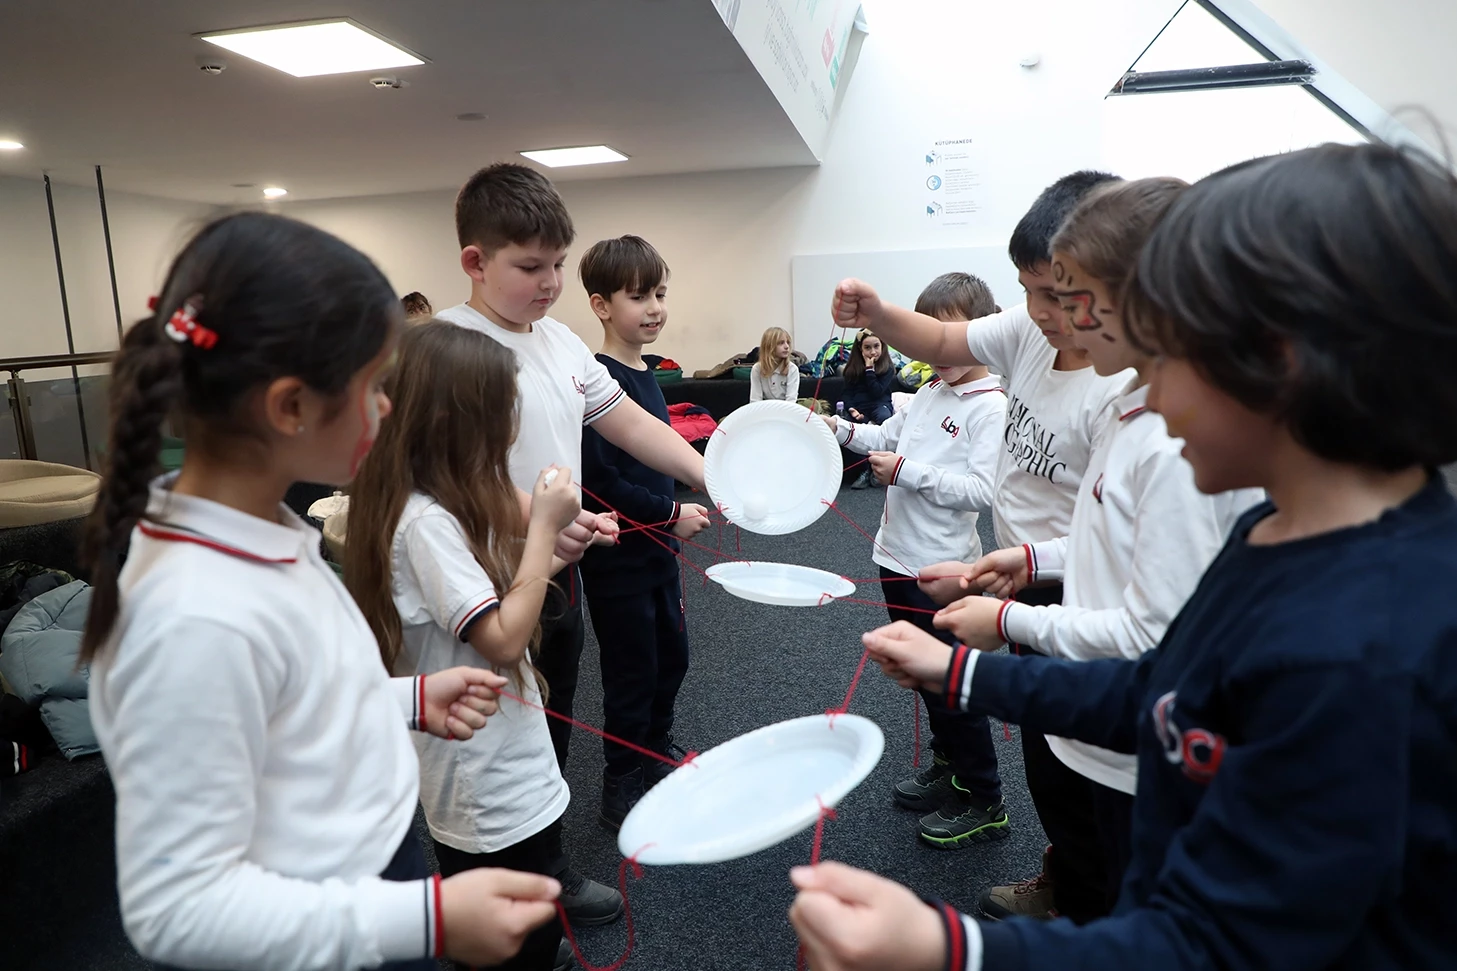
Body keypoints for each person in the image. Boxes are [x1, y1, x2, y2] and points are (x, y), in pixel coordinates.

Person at [792, 141, 1457, 971]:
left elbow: (1214, 946)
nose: (1141, 398)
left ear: (1280, 364)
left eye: (1167, 354)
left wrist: (949, 948)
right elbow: (1165, 688)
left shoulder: (1364, 655)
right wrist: (962, 671)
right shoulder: (1276, 534)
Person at [83, 212, 561, 971]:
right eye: (374, 385)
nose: (386, 408)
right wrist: (426, 916)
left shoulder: (258, 530)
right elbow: (177, 909)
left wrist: (404, 699)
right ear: (290, 406)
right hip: (324, 927)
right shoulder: (196, 615)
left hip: (365, 877)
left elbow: (284, 699)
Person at [935, 178, 1262, 910]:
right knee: (1093, 861)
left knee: (1134, 900)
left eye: (1076, 296)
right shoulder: (1126, 400)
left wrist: (1002, 628)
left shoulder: (1171, 438)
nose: (1059, 318)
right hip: (1110, 722)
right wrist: (1031, 559)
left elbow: (1154, 633)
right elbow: (1113, 530)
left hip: (1139, 748)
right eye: (1053, 295)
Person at [835, 173, 1131, 918]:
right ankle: (1070, 878)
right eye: (1031, 288)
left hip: (1080, 589)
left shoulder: (1124, 391)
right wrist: (873, 309)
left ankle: (1094, 902)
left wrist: (1016, 591)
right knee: (1049, 753)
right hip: (1023, 573)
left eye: (1059, 294)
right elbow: (936, 337)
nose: (1041, 311)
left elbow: (1119, 556)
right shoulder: (1034, 334)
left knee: (1094, 760)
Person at [347, 321, 625, 971]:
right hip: (481, 774)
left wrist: (552, 555)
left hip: (501, 754)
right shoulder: (423, 522)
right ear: (455, 420)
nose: (510, 429)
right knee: (504, 924)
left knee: (524, 912)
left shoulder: (433, 504)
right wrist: (542, 534)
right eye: (503, 413)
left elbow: (489, 607)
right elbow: (501, 638)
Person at [432, 163, 705, 780]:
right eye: (531, 267)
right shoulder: (448, 347)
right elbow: (443, 480)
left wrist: (711, 474)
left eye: (558, 264)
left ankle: (549, 863)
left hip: (558, 566)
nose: (551, 283)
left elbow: (630, 424)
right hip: (479, 574)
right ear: (475, 263)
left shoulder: (560, 342)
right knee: (489, 723)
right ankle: (503, 866)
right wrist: (540, 518)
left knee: (551, 706)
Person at [825, 271, 1009, 849]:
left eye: (950, 335)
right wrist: (832, 427)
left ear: (979, 333)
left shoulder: (990, 406)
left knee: (952, 683)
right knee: (927, 680)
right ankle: (950, 768)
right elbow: (883, 435)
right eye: (929, 336)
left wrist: (908, 473)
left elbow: (984, 490)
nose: (939, 350)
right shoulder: (930, 391)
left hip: (944, 572)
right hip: (896, 559)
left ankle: (985, 798)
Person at [575, 236, 711, 827]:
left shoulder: (648, 373)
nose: (654, 307)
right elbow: (597, 484)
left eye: (660, 293)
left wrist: (680, 502)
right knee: (631, 669)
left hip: (658, 553)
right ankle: (620, 777)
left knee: (671, 658)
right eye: (638, 297)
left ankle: (654, 752)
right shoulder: (594, 380)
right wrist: (669, 515)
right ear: (601, 305)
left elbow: (658, 460)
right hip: (617, 557)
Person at [840, 329, 896, 425]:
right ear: (860, 348)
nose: (873, 352)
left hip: (879, 405)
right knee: (844, 422)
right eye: (867, 348)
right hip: (859, 406)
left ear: (882, 346)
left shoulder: (888, 368)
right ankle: (865, 421)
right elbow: (847, 393)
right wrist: (851, 408)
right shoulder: (853, 369)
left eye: (876, 346)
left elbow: (877, 392)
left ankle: (867, 422)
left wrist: (869, 370)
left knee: (884, 418)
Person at [750, 326, 800, 402]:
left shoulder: (792, 369)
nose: (786, 346)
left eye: (788, 343)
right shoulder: (757, 369)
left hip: (786, 410)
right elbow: (755, 400)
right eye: (781, 343)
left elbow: (791, 400)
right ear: (769, 346)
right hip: (766, 410)